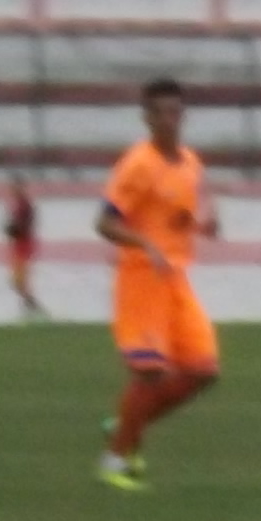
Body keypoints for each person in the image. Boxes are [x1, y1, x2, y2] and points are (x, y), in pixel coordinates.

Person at [94, 78, 221, 489]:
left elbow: (175, 218)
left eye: (175, 112)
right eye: (161, 113)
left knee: (203, 370)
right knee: (149, 372)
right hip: (141, 278)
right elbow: (104, 223)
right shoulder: (138, 164)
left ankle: (127, 423)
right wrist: (144, 244)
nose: (169, 120)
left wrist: (204, 224)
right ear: (146, 118)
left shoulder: (190, 163)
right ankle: (115, 460)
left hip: (176, 279)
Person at [3, 173, 45, 319]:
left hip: (24, 245)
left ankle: (35, 310)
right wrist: (10, 229)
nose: (13, 190)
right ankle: (30, 308)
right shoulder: (17, 205)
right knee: (18, 282)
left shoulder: (25, 205)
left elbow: (25, 226)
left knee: (20, 281)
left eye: (16, 187)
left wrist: (12, 229)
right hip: (18, 245)